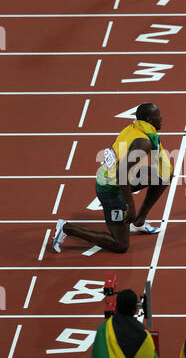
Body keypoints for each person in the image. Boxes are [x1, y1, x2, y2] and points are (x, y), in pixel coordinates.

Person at [52, 103, 173, 253]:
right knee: (120, 245)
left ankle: (138, 222)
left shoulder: (137, 129)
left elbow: (156, 165)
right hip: (110, 188)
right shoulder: (144, 142)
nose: (161, 118)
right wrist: (131, 206)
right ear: (149, 119)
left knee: (165, 176)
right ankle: (66, 228)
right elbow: (122, 174)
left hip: (118, 177)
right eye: (158, 116)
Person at [90, 289, 160, 358]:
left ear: (116, 308)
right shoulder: (146, 336)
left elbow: (95, 357)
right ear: (135, 309)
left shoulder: (104, 329)